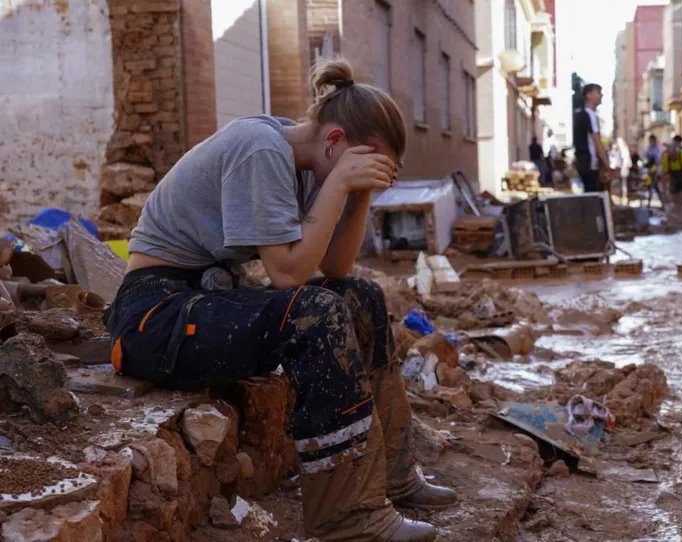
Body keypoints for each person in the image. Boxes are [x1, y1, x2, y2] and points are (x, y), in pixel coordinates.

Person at [104, 59, 455, 541]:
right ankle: (348, 519)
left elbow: (333, 268)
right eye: (363, 160)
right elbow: (289, 273)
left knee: (361, 296)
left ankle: (393, 476)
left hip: (205, 296)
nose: (363, 172)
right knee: (316, 313)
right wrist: (338, 183)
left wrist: (359, 194)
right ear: (334, 141)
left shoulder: (310, 162)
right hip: (154, 316)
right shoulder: (261, 150)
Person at [573, 83, 611, 192]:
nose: (601, 95)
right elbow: (597, 141)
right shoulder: (590, 115)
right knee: (593, 196)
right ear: (589, 95)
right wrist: (606, 165)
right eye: (598, 92)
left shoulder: (582, 114)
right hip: (589, 164)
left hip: (584, 163)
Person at [661, 135, 682, 228]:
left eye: (673, 156)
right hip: (674, 179)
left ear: (675, 152)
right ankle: (677, 220)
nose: (672, 158)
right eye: (670, 156)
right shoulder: (666, 158)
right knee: (675, 198)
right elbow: (664, 174)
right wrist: (664, 188)